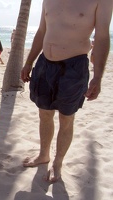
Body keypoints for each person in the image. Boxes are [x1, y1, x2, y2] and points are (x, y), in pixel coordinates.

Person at [20, 0, 112, 183]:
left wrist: (98, 76)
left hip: (74, 67)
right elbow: (41, 31)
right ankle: (43, 155)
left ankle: (58, 163)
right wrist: (29, 61)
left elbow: (102, 37)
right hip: (45, 64)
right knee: (44, 114)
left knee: (66, 117)